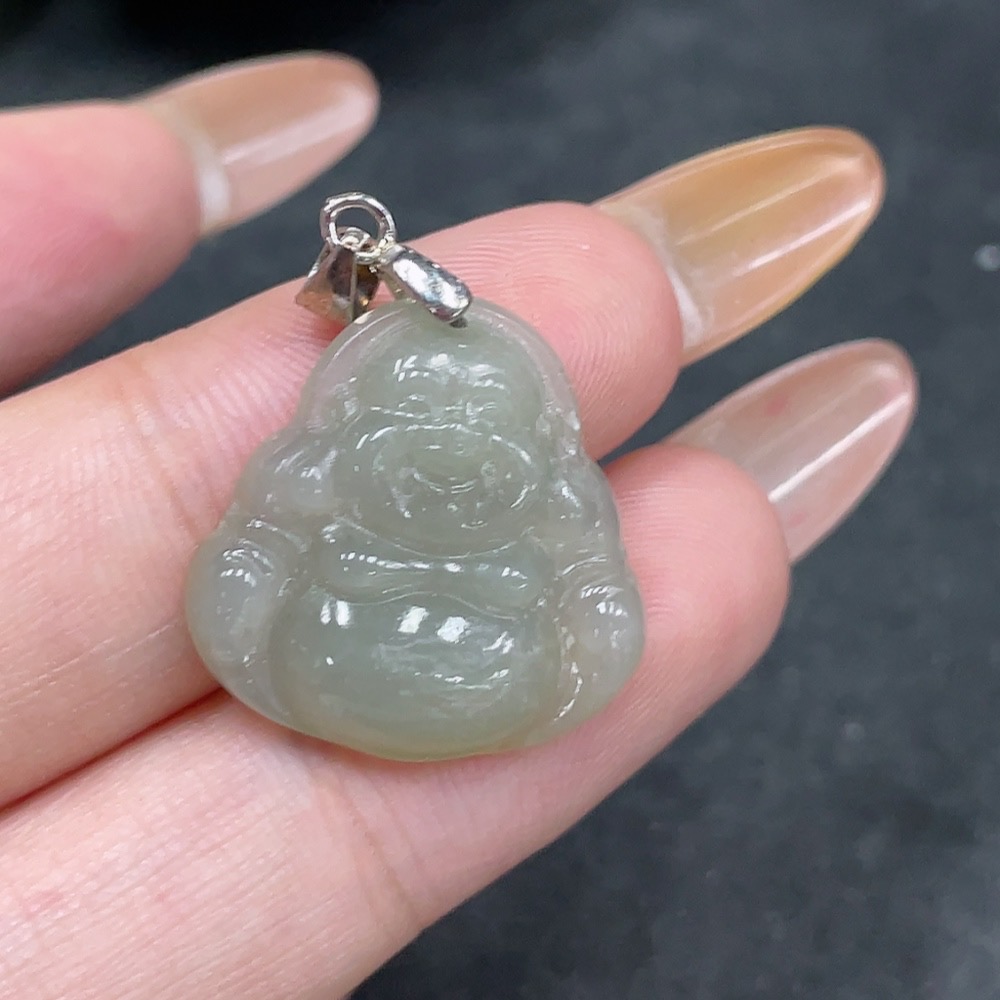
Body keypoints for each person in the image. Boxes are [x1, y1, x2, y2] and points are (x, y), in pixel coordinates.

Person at [0, 53, 915, 999]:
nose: (447, 447)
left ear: (536, 436)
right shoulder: (314, 472)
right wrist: (247, 602)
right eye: (411, 416)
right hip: (332, 649)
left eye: (483, 423)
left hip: (501, 666)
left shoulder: (556, 497)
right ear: (350, 421)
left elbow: (594, 589)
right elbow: (253, 552)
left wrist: (590, 635)